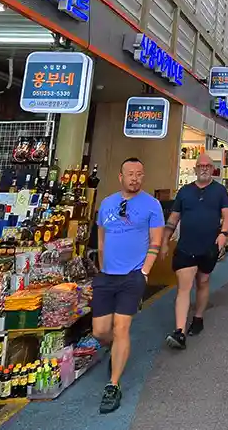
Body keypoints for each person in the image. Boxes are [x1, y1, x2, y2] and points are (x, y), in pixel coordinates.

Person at [93, 158, 165, 413]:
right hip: (107, 276)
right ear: (120, 176)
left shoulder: (152, 205)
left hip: (133, 275)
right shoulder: (106, 204)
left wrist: (145, 271)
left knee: (121, 327)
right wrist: (102, 269)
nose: (135, 178)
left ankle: (113, 385)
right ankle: (116, 352)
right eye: (130, 174)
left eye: (139, 174)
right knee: (101, 332)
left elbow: (156, 241)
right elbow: (101, 239)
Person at [164, 152, 228, 350]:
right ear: (195, 169)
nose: (204, 168)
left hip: (208, 247)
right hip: (186, 247)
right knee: (184, 287)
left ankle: (198, 317)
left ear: (213, 170)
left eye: (208, 166)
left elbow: (227, 215)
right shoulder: (184, 192)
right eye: (200, 165)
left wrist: (223, 234)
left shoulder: (219, 191)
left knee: (203, 282)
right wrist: (164, 241)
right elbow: (173, 218)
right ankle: (179, 332)